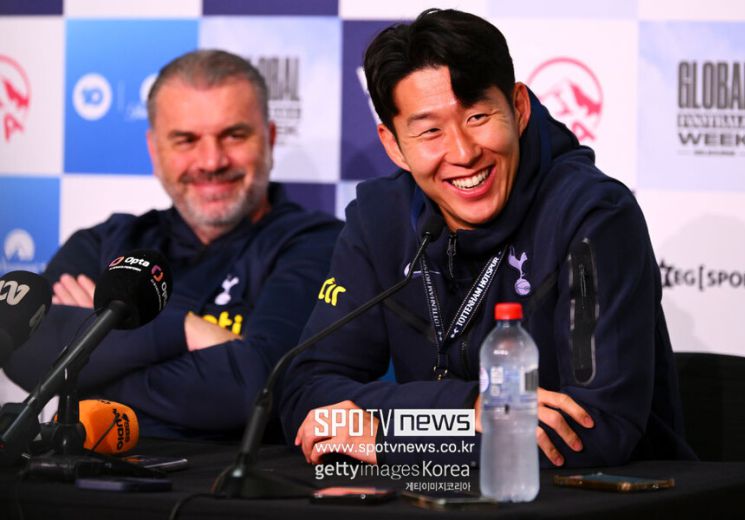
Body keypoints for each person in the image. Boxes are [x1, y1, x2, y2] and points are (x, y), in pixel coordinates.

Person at [281, 9, 695, 468]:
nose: (463, 152)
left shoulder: (592, 216)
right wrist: (462, 410)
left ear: (518, 108)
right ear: (394, 144)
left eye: (478, 116)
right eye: (430, 131)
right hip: (445, 493)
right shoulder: (380, 219)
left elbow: (595, 428)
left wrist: (396, 438)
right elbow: (306, 393)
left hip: (605, 496)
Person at [4, 49, 343, 440]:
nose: (211, 161)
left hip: (241, 476)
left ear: (269, 138)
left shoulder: (319, 243)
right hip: (90, 473)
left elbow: (255, 385)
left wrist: (83, 368)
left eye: (234, 135)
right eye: (186, 140)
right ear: (154, 149)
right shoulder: (105, 242)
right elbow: (21, 350)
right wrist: (184, 330)